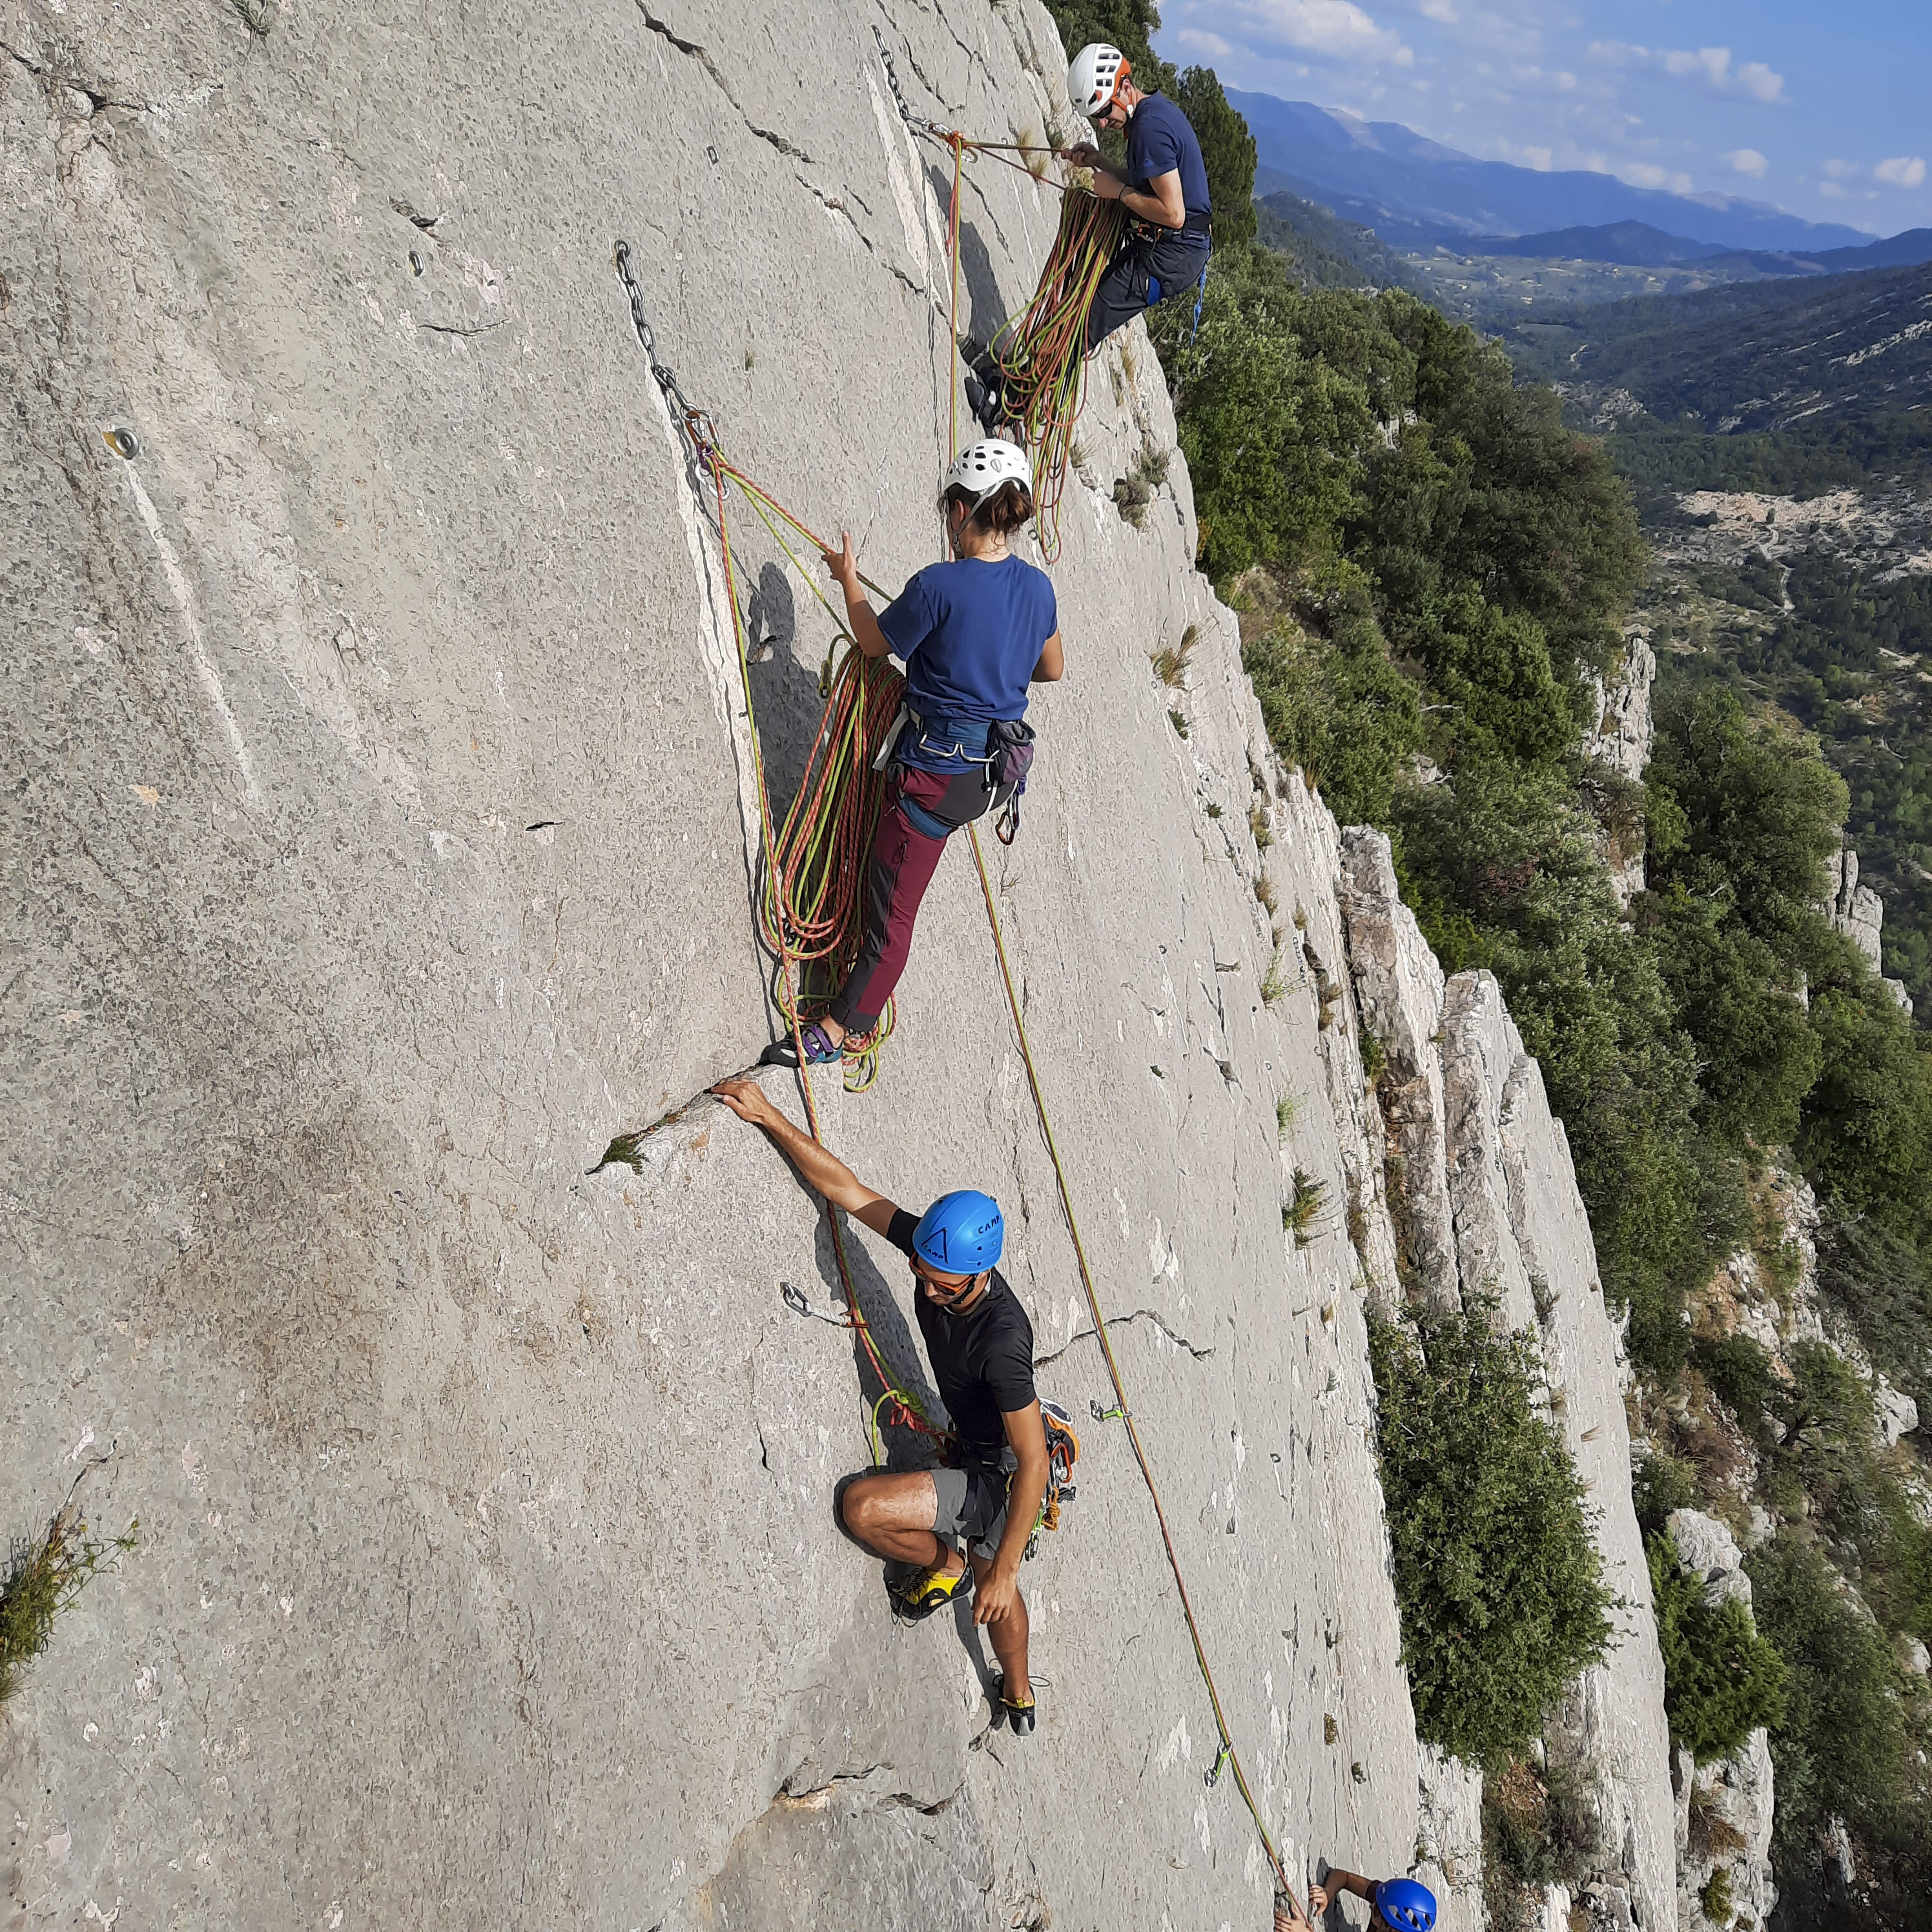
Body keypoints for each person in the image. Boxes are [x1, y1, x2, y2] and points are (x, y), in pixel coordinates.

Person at [710, 1074, 1051, 1734]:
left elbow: (1032, 1460)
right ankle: (948, 1565)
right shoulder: (939, 1253)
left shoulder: (1001, 1340)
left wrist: (1004, 1568)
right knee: (895, 1527)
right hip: (974, 1447)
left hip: (996, 1476)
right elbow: (849, 1190)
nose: (920, 1280)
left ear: (977, 1275)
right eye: (920, 1266)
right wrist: (769, 1116)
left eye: (935, 1278)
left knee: (982, 1576)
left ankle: (1016, 1686)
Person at [761, 438, 1062, 1071]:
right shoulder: (1039, 591)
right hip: (983, 775)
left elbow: (871, 644)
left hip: (933, 776)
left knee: (891, 912)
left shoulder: (937, 587)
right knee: (890, 879)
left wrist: (847, 579)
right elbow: (1051, 668)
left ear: (959, 511)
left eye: (945, 512)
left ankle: (840, 1028)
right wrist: (993, 665)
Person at [1062, 42, 1213, 353]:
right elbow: (1148, 185)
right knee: (1081, 301)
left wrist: (1116, 192)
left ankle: (1013, 395)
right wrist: (1100, 162)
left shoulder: (1149, 129)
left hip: (1173, 254)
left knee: (1087, 319)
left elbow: (1173, 214)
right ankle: (1018, 381)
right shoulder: (1151, 114)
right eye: (1096, 116)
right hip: (1171, 245)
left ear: (1125, 87)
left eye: (1104, 111)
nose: (1102, 124)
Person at [1308, 1867, 1437, 1932]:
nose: (1371, 1906)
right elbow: (1344, 1877)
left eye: (1377, 1912)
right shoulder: (1387, 1902)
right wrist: (1328, 1893)